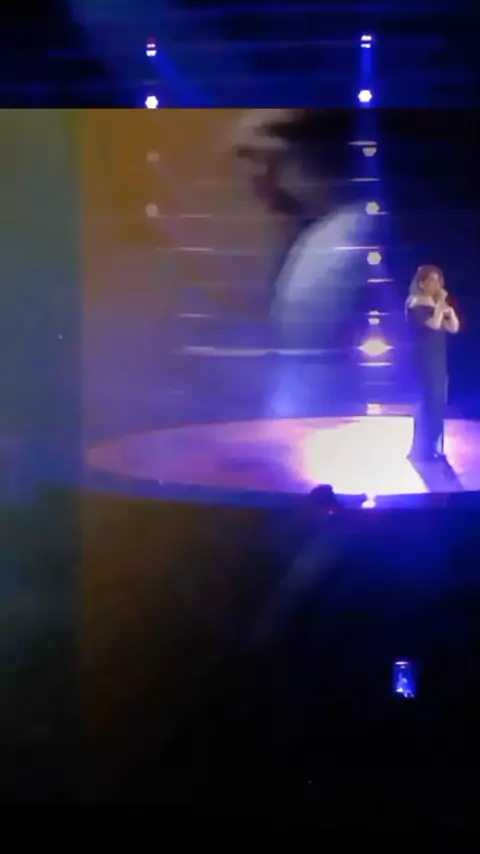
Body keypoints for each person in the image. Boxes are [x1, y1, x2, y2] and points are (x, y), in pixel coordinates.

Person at [405, 265, 460, 461]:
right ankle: (421, 449)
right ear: (422, 283)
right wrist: (440, 305)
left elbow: (453, 328)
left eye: (438, 280)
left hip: (438, 358)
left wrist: (448, 310)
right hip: (423, 359)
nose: (436, 284)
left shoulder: (437, 304)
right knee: (427, 402)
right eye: (431, 280)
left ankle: (434, 445)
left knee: (438, 402)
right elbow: (434, 324)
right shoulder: (415, 302)